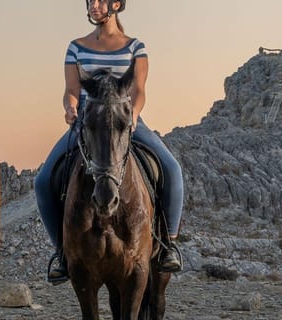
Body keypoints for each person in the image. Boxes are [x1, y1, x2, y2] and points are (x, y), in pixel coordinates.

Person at [33, 0, 185, 285]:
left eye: (101, 0)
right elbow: (71, 90)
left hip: (125, 122)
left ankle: (167, 245)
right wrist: (70, 108)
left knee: (172, 169)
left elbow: (139, 90)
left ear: (117, 4)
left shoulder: (135, 47)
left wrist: (134, 115)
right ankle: (62, 253)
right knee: (42, 181)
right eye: (91, 1)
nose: (94, 5)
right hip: (88, 124)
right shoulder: (76, 47)